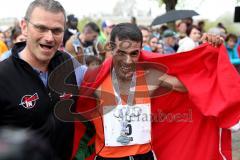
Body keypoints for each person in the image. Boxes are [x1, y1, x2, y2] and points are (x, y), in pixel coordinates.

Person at [73, 23, 240, 160]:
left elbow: (194, 86)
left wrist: (208, 51)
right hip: (108, 157)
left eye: (134, 54)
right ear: (110, 47)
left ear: (141, 50)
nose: (128, 61)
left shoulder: (151, 77)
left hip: (143, 156)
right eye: (121, 53)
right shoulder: (93, 80)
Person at [0, 0, 87, 160]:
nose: (49, 37)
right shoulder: (3, 75)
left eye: (56, 30)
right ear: (24, 27)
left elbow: (103, 82)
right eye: (41, 28)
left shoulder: (68, 65)